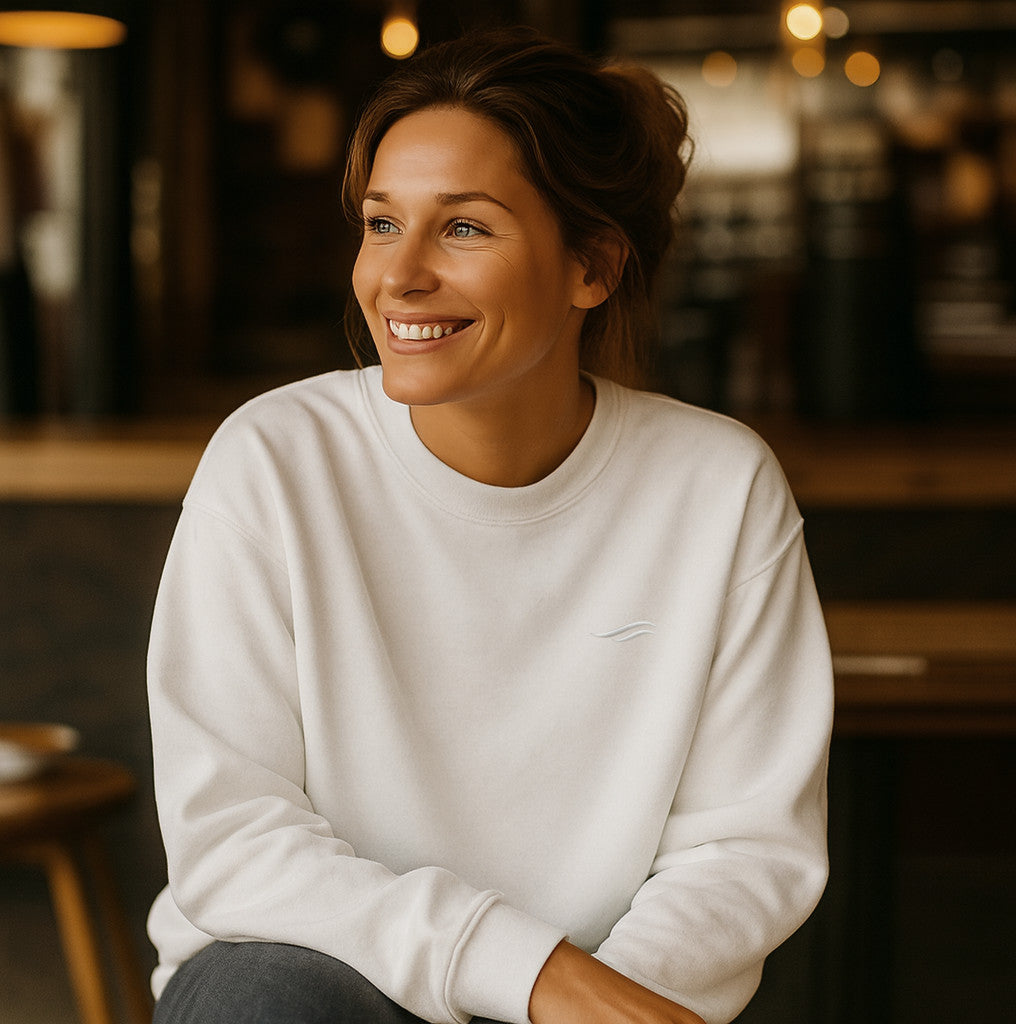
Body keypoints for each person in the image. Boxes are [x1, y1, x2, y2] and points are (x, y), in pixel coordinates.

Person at [147, 25, 832, 1024]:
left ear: (592, 267)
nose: (399, 274)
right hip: (313, 975)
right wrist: (527, 971)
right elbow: (232, 837)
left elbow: (743, 850)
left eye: (463, 228)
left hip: (604, 988)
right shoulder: (277, 459)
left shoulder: (718, 488)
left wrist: (586, 1003)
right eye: (383, 223)